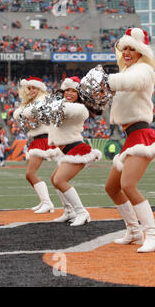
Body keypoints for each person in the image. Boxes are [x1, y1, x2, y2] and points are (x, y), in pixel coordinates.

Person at [104, 27, 155, 253]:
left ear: (141, 51)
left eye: (132, 48)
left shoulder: (144, 70)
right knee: (112, 187)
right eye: (124, 47)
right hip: (130, 136)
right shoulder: (127, 71)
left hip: (140, 134)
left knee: (128, 185)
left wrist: (104, 81)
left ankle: (153, 236)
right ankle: (134, 231)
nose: (127, 52)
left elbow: (127, 82)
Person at [50, 77, 102, 226]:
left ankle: (82, 212)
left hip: (77, 149)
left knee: (60, 180)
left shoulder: (79, 109)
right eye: (67, 90)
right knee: (55, 180)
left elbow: (66, 111)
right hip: (67, 150)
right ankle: (69, 212)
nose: (70, 93)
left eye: (74, 91)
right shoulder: (60, 107)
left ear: (79, 94)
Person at [13, 77, 60, 213]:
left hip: (44, 139)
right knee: (31, 174)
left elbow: (34, 119)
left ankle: (47, 203)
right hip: (36, 139)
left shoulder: (43, 101)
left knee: (31, 173)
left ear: (40, 88)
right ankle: (45, 202)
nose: (31, 90)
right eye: (29, 88)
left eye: (34, 87)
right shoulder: (31, 103)